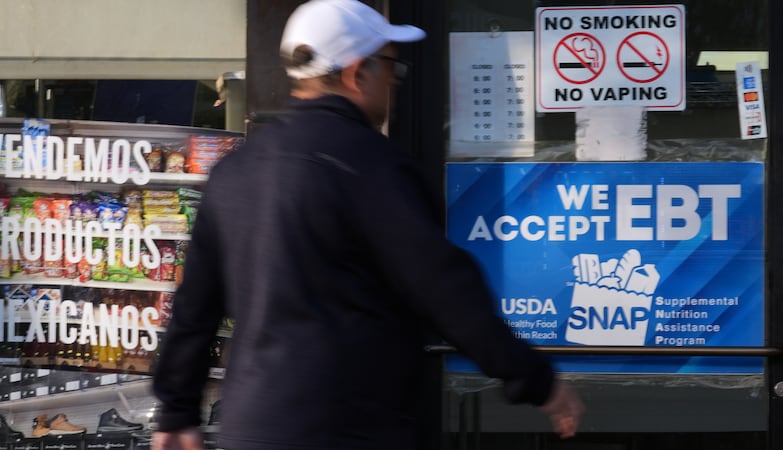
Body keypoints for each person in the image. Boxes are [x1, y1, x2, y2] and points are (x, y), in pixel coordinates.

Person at [150, 1, 584, 449]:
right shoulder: (372, 166)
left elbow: (195, 304)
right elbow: (444, 288)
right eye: (393, 69)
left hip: (252, 425)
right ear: (358, 73)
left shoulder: (235, 171)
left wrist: (177, 412)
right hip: (350, 427)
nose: (394, 84)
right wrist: (533, 378)